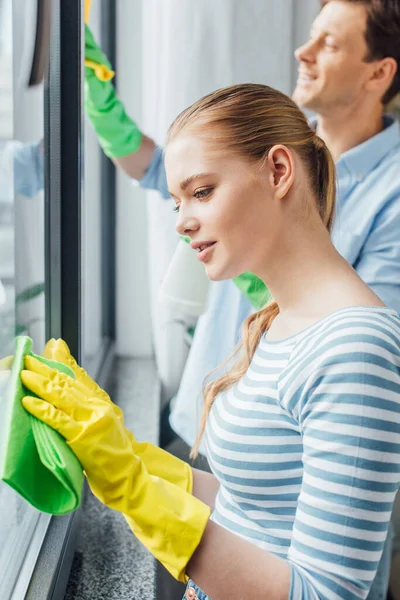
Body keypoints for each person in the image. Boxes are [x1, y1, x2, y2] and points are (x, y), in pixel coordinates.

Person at [21, 83, 400, 600]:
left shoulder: (357, 347)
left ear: (279, 171)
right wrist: (125, 451)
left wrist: (133, 489)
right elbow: (255, 507)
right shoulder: (274, 321)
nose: (183, 222)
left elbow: (325, 593)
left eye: (201, 192)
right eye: (178, 201)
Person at [84, 0, 400, 460]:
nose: (302, 52)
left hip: (281, 452)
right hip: (202, 417)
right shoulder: (277, 137)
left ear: (378, 73)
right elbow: (157, 170)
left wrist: (264, 272)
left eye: (328, 43)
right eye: (310, 35)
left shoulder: (392, 193)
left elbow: (368, 341)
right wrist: (94, 91)